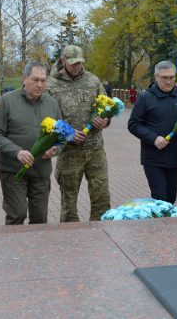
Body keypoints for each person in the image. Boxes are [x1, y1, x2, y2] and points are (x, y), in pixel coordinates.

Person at [0, 62, 61, 225]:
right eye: (35, 80)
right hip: (14, 171)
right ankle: (14, 250)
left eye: (43, 80)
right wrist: (17, 152)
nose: (40, 85)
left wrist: (56, 149)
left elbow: (61, 135)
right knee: (17, 215)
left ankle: (36, 250)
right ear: (24, 78)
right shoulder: (7, 101)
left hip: (41, 171)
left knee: (40, 218)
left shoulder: (52, 103)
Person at [47, 45, 111, 222]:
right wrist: (67, 134)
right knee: (69, 206)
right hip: (69, 152)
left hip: (95, 150)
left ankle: (102, 238)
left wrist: (105, 120)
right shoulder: (50, 85)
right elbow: (46, 121)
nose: (77, 67)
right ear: (63, 61)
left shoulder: (93, 81)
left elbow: (107, 106)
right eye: (73, 63)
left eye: (80, 63)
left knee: (102, 199)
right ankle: (71, 243)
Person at [128, 61, 177, 204]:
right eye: (164, 77)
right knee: (160, 198)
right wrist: (154, 138)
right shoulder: (146, 97)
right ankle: (158, 226)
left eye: (172, 77)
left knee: (171, 199)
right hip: (153, 158)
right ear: (156, 76)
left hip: (175, 157)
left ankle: (167, 226)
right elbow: (133, 124)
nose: (169, 81)